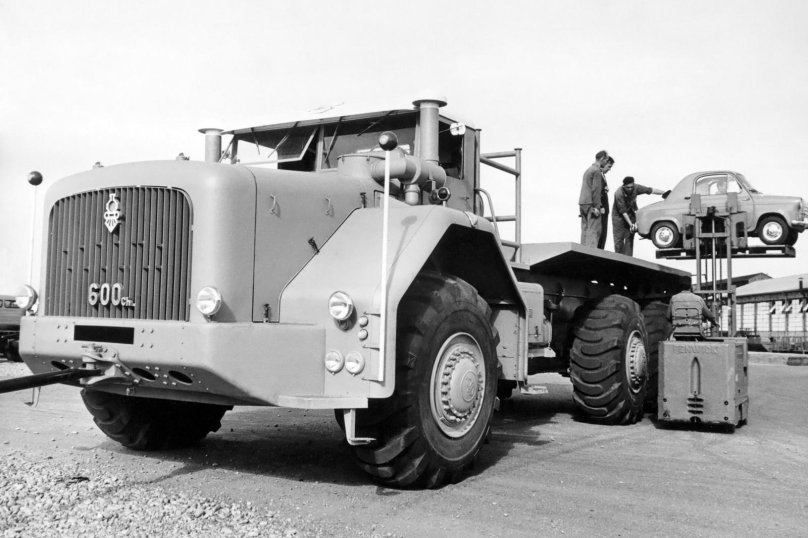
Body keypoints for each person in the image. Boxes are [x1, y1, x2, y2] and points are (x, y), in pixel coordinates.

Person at [612, 176, 668, 255]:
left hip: (631, 214)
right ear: (624, 186)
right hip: (619, 216)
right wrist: (631, 225)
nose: (630, 189)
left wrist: (665, 193)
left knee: (629, 237)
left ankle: (628, 259)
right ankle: (618, 258)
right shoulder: (618, 193)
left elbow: (650, 190)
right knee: (619, 239)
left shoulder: (636, 187)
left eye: (631, 187)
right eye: (628, 187)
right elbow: (623, 212)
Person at [579, 150, 609, 248]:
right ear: (602, 159)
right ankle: (590, 255)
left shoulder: (588, 170)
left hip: (583, 203)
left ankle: (582, 251)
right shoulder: (596, 171)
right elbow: (596, 190)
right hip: (591, 204)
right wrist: (597, 206)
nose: (606, 163)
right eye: (606, 160)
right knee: (593, 231)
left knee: (585, 230)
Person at [597, 156, 614, 249]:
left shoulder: (602, 175)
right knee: (601, 233)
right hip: (602, 209)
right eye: (609, 166)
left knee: (604, 234)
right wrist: (600, 206)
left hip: (605, 210)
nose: (609, 169)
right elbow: (597, 192)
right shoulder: (598, 175)